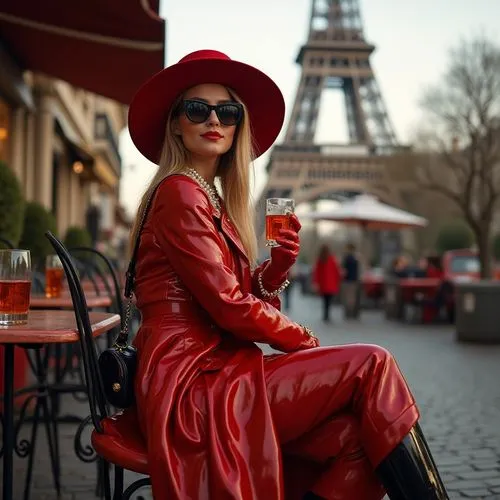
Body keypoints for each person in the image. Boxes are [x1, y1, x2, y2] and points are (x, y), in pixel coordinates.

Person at [127, 50, 449, 499]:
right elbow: (226, 305)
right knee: (373, 362)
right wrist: (301, 337)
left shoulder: (207, 197)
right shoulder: (181, 192)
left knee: (359, 440)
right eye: (197, 109)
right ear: (176, 123)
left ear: (239, 125)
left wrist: (273, 270)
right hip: (193, 381)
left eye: (228, 110)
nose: (213, 119)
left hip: (216, 369)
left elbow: (230, 294)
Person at [312, 244, 341, 322]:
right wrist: (338, 280)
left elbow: (316, 272)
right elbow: (337, 271)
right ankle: (327, 315)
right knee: (329, 300)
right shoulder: (332, 259)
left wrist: (316, 282)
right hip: (331, 284)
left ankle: (325, 314)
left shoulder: (320, 259)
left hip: (323, 284)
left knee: (325, 300)